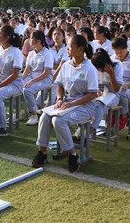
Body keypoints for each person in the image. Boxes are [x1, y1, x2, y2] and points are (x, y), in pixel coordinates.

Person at [31, 34, 98, 173]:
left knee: (58, 121)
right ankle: (42, 152)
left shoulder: (90, 68)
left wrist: (72, 103)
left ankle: (73, 155)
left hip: (85, 107)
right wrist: (60, 99)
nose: (67, 49)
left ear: (80, 49)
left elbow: (92, 94)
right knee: (44, 117)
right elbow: (59, 85)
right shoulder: (66, 65)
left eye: (70, 46)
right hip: (67, 103)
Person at [0, 25, 24, 137]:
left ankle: (1, 127)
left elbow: (15, 74)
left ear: (7, 37)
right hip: (1, 81)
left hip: (15, 84)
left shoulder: (16, 52)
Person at [23, 30, 55, 126]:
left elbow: (46, 73)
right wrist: (20, 79)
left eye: (31, 38)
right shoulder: (31, 53)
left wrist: (31, 81)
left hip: (45, 79)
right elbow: (27, 69)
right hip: (33, 76)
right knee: (17, 85)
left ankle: (33, 114)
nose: (29, 40)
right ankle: (19, 113)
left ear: (38, 41)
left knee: (27, 89)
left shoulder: (47, 54)